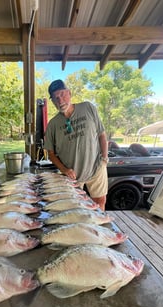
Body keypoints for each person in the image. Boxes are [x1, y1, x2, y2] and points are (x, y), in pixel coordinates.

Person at [44, 79, 108, 211]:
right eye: (56, 98)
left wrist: (104, 159)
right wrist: (64, 170)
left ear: (69, 93)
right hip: (72, 175)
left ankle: (100, 229)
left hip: (96, 168)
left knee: (100, 201)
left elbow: (102, 134)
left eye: (62, 94)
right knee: (74, 207)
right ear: (52, 101)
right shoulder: (52, 124)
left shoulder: (88, 107)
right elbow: (50, 153)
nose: (60, 100)